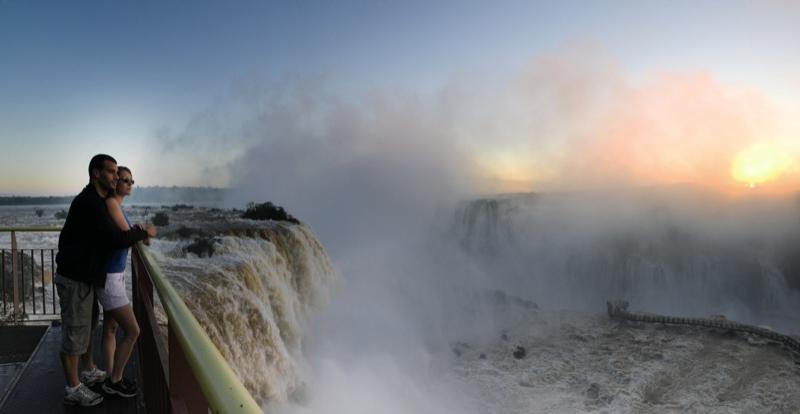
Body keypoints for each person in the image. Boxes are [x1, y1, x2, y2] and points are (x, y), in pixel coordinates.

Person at [55, 154, 156, 407]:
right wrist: (144, 232)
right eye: (111, 172)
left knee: (88, 326)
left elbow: (117, 236)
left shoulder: (99, 201)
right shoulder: (91, 203)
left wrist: (137, 231)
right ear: (95, 173)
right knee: (75, 332)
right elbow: (118, 239)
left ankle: (88, 372)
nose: (115, 176)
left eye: (116, 172)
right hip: (74, 277)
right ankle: (73, 388)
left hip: (88, 276)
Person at [98, 166, 142, 397]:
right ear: (115, 182)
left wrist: (140, 233)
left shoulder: (118, 207)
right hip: (110, 279)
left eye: (131, 181)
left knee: (111, 328)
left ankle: (109, 375)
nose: (129, 184)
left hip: (113, 276)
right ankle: (115, 380)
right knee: (134, 331)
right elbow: (129, 236)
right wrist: (144, 233)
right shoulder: (112, 204)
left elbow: (131, 234)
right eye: (124, 180)